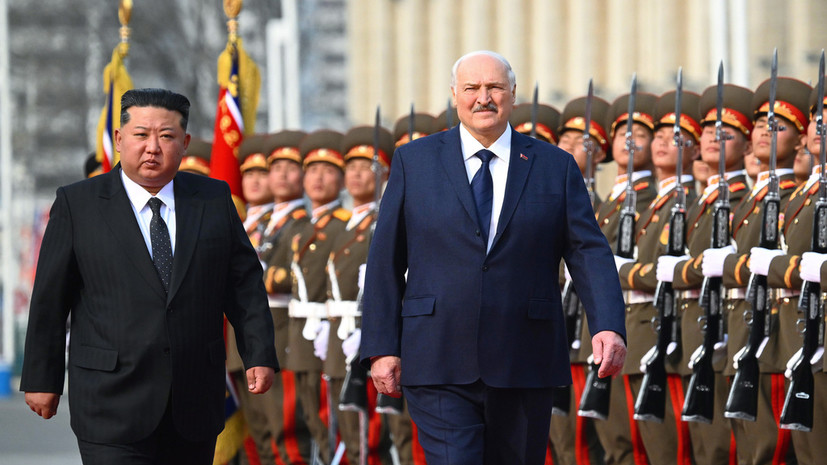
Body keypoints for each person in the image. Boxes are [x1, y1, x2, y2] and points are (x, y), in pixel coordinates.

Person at [360, 50, 627, 465]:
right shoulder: (415, 162)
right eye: (472, 88)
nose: (483, 98)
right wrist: (381, 346)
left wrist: (608, 324)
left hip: (525, 356)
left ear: (513, 94)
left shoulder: (553, 166)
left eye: (495, 87)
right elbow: (386, 260)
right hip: (437, 356)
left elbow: (587, 250)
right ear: (455, 94)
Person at [20, 88, 278, 465]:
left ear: (184, 142)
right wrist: (42, 378)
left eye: (166, 136)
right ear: (119, 139)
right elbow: (50, 299)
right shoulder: (78, 204)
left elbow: (244, 287)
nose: (152, 147)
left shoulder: (212, 199)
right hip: (110, 400)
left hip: (193, 400)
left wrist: (259, 353)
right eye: (141, 134)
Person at [707, 76, 810, 465]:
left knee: (771, 450)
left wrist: (732, 265)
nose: (766, 132)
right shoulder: (754, 199)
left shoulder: (789, 196)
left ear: (800, 140)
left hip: (774, 335)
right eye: (762, 125)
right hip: (741, 331)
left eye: (779, 126)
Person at [666, 82, 753, 464]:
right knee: (702, 448)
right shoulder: (703, 202)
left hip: (726, 332)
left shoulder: (740, 199)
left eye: (727, 132)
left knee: (724, 448)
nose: (714, 138)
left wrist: (683, 270)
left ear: (746, 145)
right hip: (693, 333)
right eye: (708, 131)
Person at [617, 89, 701, 465]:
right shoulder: (655, 205)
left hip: (664, 333)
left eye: (677, 138)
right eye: (661, 136)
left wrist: (624, 272)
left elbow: (673, 269)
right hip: (639, 334)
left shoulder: (686, 203)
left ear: (694, 151)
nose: (664, 143)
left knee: (671, 450)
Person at [593, 90, 658, 465]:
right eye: (622, 133)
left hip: (636, 327)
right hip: (599, 328)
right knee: (614, 441)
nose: (629, 141)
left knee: (639, 444)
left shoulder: (649, 200)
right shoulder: (610, 202)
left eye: (641, 134)